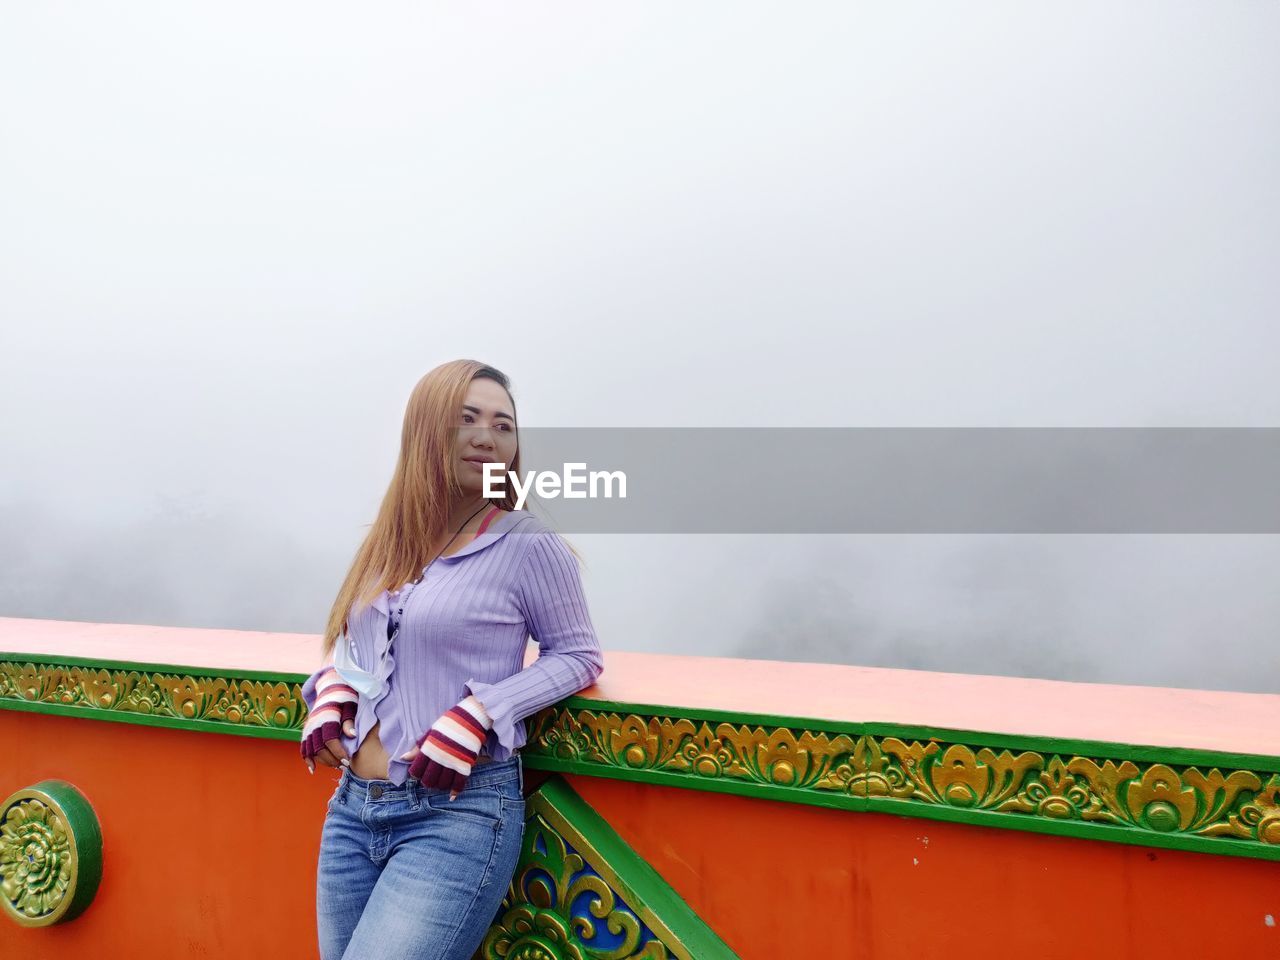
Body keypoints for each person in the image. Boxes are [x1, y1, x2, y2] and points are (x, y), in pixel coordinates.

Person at [298, 359, 605, 960]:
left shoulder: (526, 544)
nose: (487, 437)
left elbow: (578, 654)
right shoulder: (389, 540)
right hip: (351, 811)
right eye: (466, 420)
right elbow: (362, 649)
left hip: (455, 816)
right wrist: (331, 690)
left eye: (503, 425)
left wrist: (482, 711)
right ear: (427, 430)